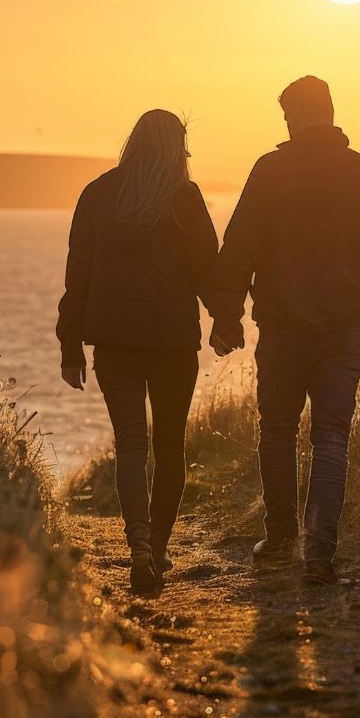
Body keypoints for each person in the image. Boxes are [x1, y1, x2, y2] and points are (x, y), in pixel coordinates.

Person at [211, 76, 360, 586]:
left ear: (293, 115)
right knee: (331, 438)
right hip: (344, 327)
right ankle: (319, 550)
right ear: (330, 111)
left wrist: (227, 315)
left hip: (281, 326)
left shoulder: (271, 171)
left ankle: (279, 540)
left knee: (276, 431)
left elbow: (238, 249)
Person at [57, 109, 220, 597]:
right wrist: (227, 321)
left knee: (131, 444)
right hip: (171, 342)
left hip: (115, 344)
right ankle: (158, 550)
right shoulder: (183, 198)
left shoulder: (97, 194)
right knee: (170, 448)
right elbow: (207, 271)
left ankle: (140, 550)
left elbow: (77, 277)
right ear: (177, 148)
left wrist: (70, 347)